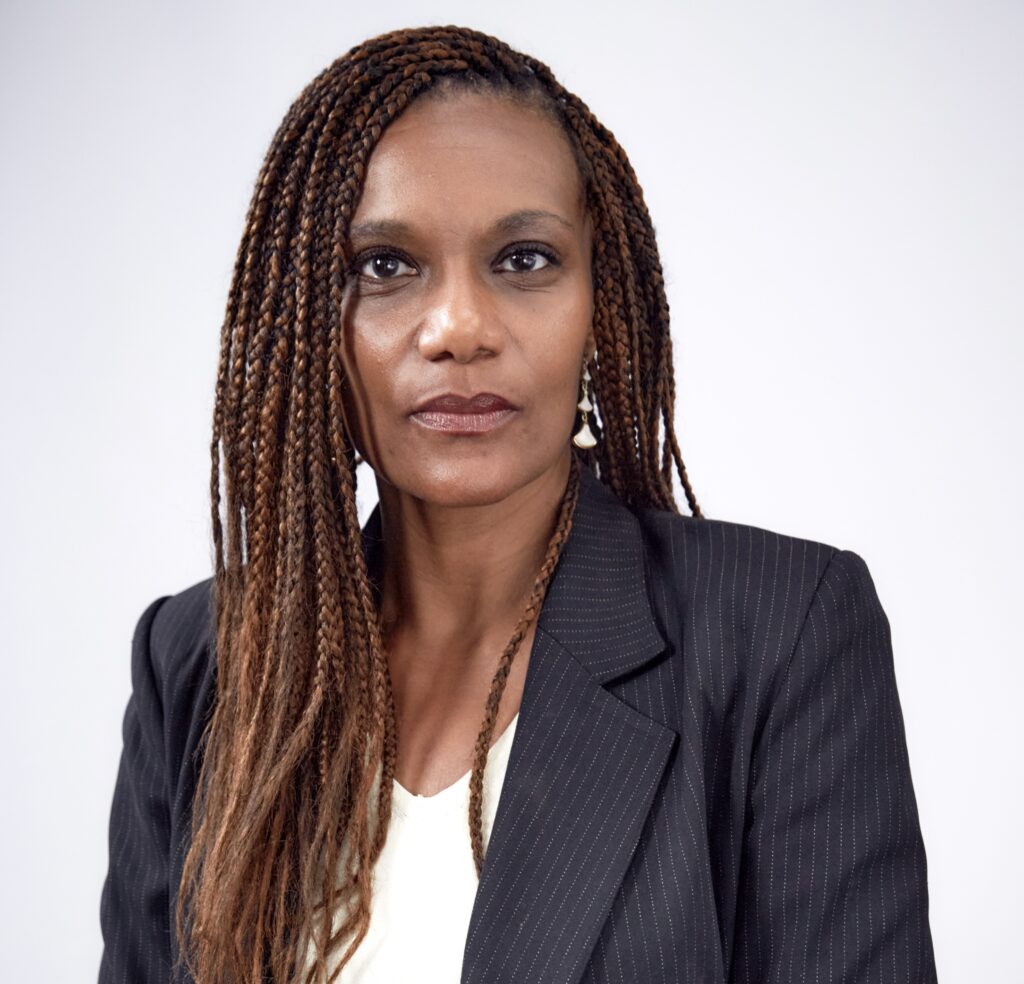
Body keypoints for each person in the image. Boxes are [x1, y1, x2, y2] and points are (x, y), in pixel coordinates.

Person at [97, 24, 938, 984]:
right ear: (304, 320)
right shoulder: (201, 661)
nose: (460, 328)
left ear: (600, 304)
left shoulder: (779, 634)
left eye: (525, 259)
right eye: (385, 265)